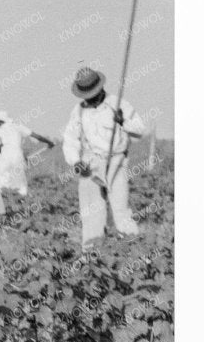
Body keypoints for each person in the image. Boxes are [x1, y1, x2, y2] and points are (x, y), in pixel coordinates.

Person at [61, 66, 147, 248]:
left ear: (100, 88)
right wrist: (76, 162)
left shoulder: (118, 103)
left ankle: (133, 251)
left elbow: (140, 130)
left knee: (120, 210)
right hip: (90, 164)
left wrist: (123, 121)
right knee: (91, 212)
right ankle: (92, 254)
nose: (90, 97)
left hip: (117, 161)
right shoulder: (78, 111)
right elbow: (70, 140)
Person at [0, 110, 53, 203]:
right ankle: (21, 202)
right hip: (17, 156)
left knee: (1, 179)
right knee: (19, 181)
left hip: (4, 157)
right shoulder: (18, 127)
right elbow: (36, 136)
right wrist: (49, 142)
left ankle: (4, 203)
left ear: (0, 122)